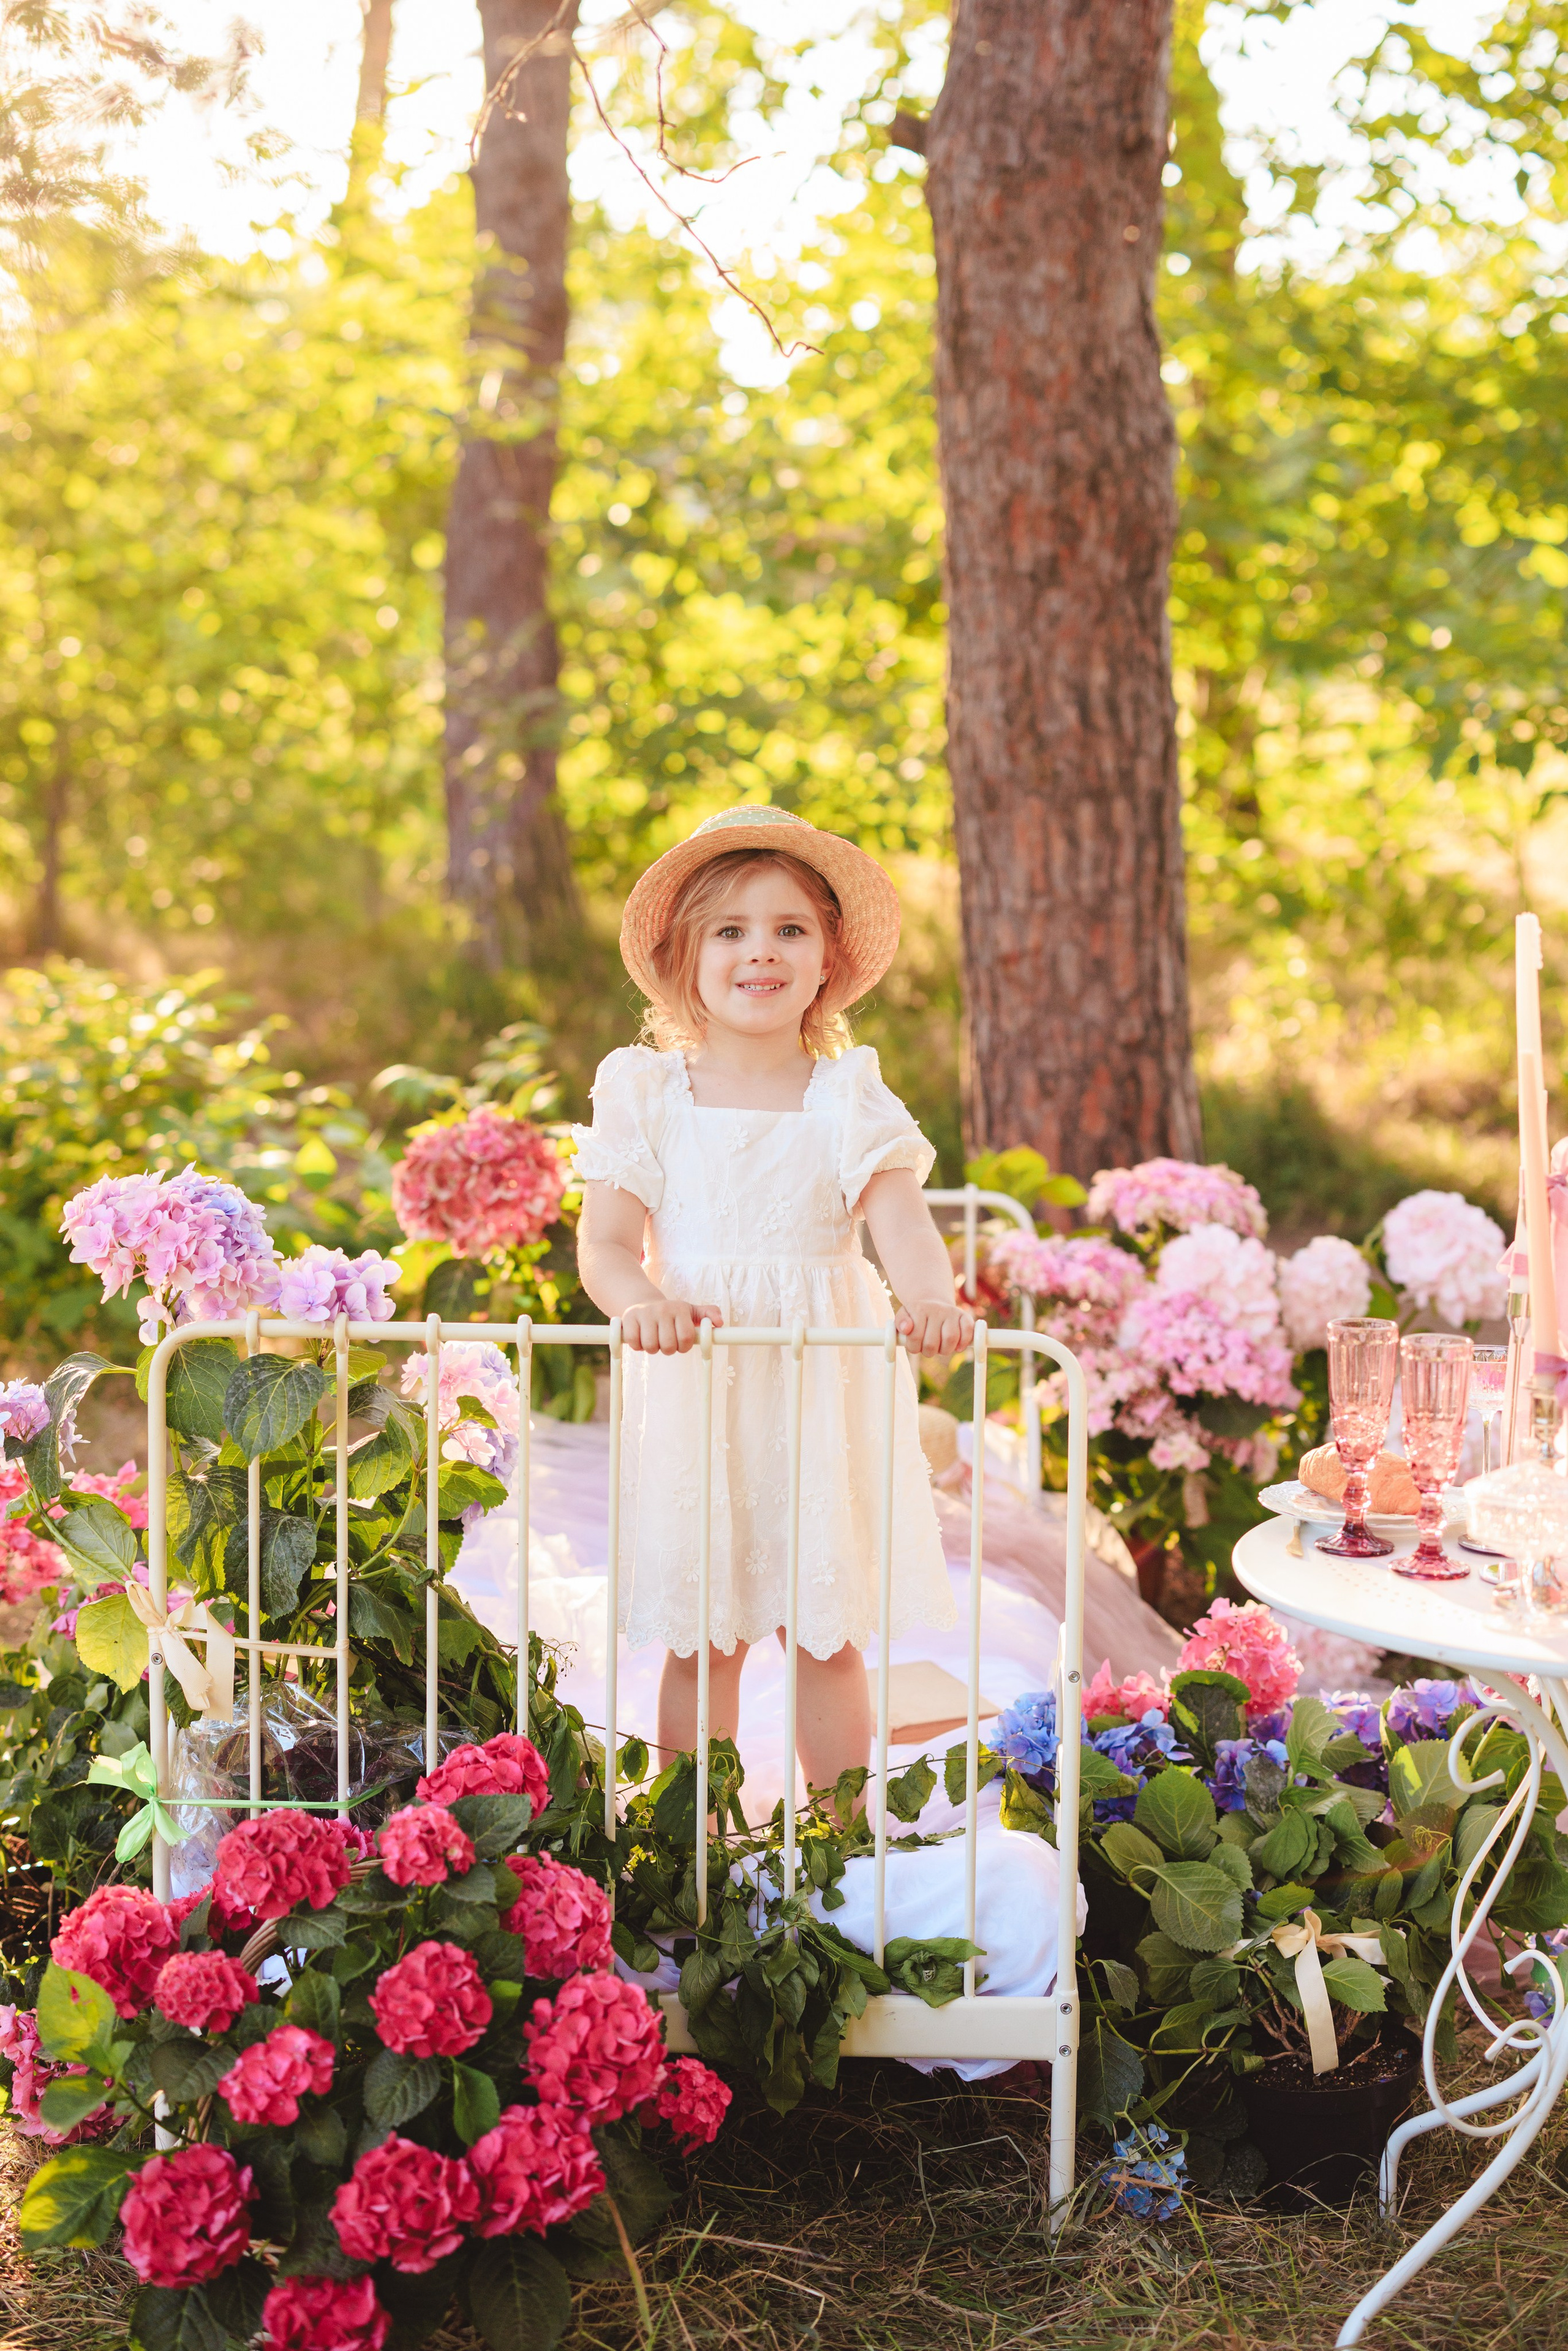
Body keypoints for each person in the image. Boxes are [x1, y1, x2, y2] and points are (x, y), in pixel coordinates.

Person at [572, 804, 974, 1795]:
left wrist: (931, 1300)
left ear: (828, 958)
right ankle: (688, 1832)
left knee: (822, 1627)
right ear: (684, 957)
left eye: (791, 929)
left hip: (817, 1382)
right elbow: (607, 1243)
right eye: (732, 931)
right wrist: (639, 1303)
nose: (763, 952)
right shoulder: (651, 1092)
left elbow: (901, 1219)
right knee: (705, 1632)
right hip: (700, 1372)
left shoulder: (847, 1095)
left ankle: (840, 1827)